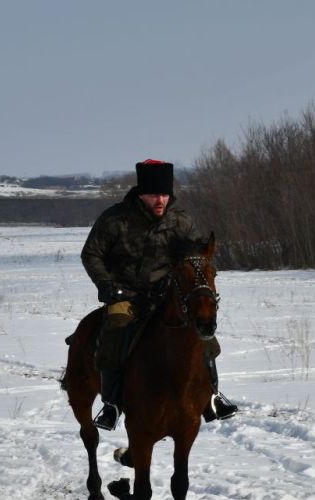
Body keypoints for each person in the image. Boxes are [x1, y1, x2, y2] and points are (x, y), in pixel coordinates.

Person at [81, 159, 237, 430]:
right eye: (154, 194)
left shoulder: (181, 220)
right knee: (116, 329)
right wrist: (109, 286)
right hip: (125, 294)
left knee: (203, 331)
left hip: (166, 293)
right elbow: (91, 255)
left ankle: (212, 396)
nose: (160, 200)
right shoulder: (114, 219)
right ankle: (112, 404)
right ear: (141, 193)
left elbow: (198, 256)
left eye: (164, 194)